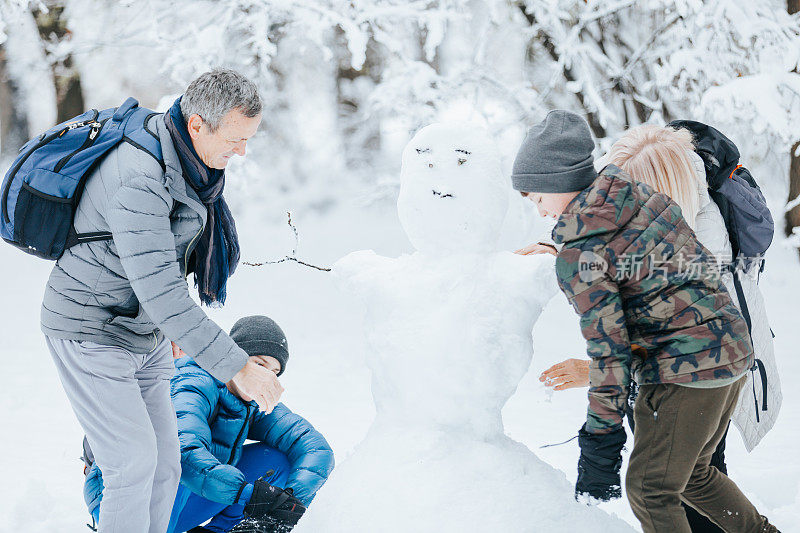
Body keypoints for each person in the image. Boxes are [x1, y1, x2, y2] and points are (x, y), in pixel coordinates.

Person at [510, 110, 778, 532]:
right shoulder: (638, 198)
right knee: (694, 474)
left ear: (557, 184)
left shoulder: (583, 256)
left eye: (538, 199)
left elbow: (610, 356)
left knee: (649, 488)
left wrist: (599, 447)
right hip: (734, 352)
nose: (541, 213)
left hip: (689, 372)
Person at [41, 69, 283, 533]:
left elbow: (168, 257)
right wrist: (236, 365)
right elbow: (158, 286)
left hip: (142, 331)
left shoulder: (189, 164)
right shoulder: (139, 177)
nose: (242, 151)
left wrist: (170, 328)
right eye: (235, 138)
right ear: (197, 125)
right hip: (92, 329)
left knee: (165, 466)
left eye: (248, 138)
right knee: (131, 465)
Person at [83, 315, 335, 533]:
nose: (266, 377)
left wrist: (288, 502)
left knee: (278, 461)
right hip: (125, 503)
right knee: (175, 464)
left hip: (183, 502)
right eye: (259, 364)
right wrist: (251, 496)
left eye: (274, 372)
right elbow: (184, 454)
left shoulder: (251, 403)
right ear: (234, 358)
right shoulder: (192, 382)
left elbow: (315, 448)